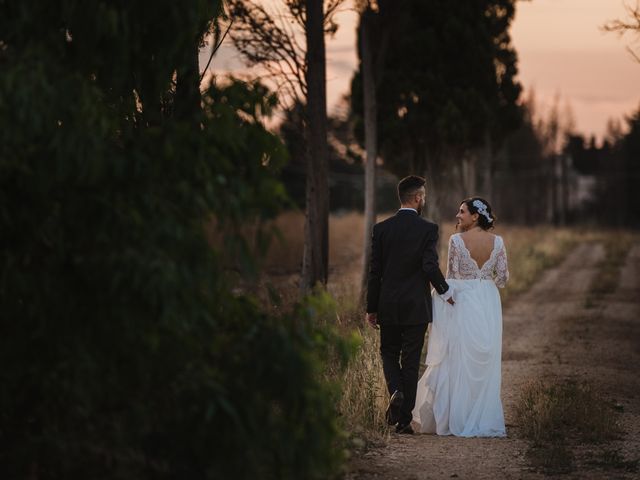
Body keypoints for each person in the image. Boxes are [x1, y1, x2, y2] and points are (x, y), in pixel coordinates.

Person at [412, 197, 509, 437]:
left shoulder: (456, 241)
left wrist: (460, 289)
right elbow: (503, 279)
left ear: (475, 216)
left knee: (456, 357)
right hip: (487, 300)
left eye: (462, 211)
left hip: (463, 299)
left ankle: (457, 415)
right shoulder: (498, 242)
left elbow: (450, 276)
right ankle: (481, 413)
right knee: (484, 358)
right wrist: (484, 281)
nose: (458, 215)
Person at [366, 175, 453, 434]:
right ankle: (404, 421)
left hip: (388, 304)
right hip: (416, 306)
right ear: (416, 199)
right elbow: (429, 265)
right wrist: (445, 290)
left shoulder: (381, 229)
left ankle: (396, 392)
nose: (423, 199)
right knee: (412, 359)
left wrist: (372, 308)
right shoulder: (428, 229)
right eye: (423, 196)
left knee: (389, 353)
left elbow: (375, 272)